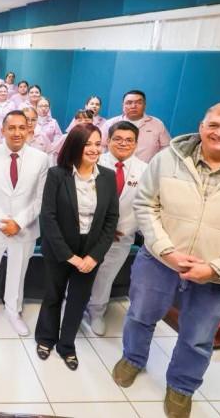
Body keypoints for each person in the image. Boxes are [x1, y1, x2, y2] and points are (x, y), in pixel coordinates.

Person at [113, 102, 220, 418]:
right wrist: (166, 250)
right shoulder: (167, 160)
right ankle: (132, 358)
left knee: (198, 338)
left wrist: (216, 268)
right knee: (140, 315)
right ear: (202, 126)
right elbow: (145, 205)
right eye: (213, 124)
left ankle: (181, 386)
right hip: (159, 262)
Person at [35, 124, 119, 370]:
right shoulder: (57, 175)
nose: (94, 149)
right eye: (87, 144)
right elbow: (48, 217)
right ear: (75, 146)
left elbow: (111, 219)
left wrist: (94, 256)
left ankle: (67, 345)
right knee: (53, 295)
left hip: (91, 250)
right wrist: (68, 256)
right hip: (59, 248)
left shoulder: (107, 177)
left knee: (78, 299)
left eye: (97, 144)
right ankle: (46, 338)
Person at [0, 111, 49, 335]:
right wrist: (2, 221)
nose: (17, 132)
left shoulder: (41, 158)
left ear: (29, 130)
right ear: (2, 130)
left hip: (24, 228)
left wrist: (18, 223)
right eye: (12, 128)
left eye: (21, 128)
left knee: (18, 272)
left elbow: (40, 198)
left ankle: (13, 311)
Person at [84, 121, 146, 336]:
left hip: (121, 236)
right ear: (108, 140)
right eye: (117, 139)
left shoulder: (145, 170)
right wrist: (101, 228)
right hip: (89, 233)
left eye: (129, 140)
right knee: (82, 271)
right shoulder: (93, 162)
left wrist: (122, 229)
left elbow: (145, 206)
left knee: (106, 276)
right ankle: (72, 304)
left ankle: (97, 312)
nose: (123, 143)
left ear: (136, 143)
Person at [102, 90, 170, 163]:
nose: (133, 106)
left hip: (146, 168)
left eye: (138, 103)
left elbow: (167, 147)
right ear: (123, 105)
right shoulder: (110, 124)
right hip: (114, 167)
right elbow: (101, 146)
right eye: (129, 103)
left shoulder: (157, 124)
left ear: (145, 105)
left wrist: (156, 163)